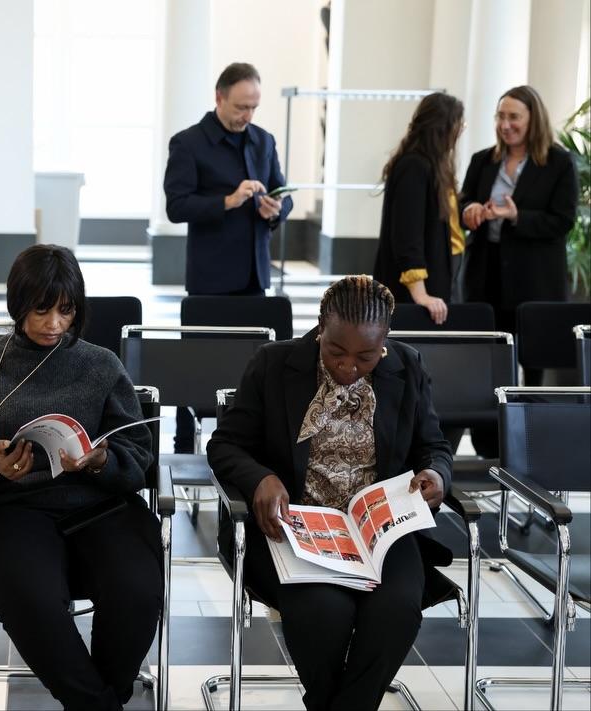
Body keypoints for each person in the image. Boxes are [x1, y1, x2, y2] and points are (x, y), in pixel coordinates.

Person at [0, 245, 163, 711]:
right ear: (18, 304)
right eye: (41, 310)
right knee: (33, 601)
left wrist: (100, 461)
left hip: (102, 507)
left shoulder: (101, 365)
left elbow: (138, 451)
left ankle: (97, 701)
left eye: (65, 311)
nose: (53, 323)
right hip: (12, 510)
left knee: (137, 591)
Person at [207, 276, 453, 711]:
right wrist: (261, 478)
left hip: (379, 530)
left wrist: (436, 474)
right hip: (295, 528)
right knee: (323, 613)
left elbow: (433, 446)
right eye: (336, 351)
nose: (348, 366)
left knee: (396, 611)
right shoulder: (273, 364)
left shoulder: (408, 366)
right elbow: (225, 445)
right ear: (321, 327)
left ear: (385, 341)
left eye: (366, 356)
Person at [163, 61, 294, 453]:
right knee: (198, 364)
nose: (247, 115)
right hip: (210, 276)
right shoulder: (188, 143)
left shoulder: (264, 140)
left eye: (253, 107)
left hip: (254, 274)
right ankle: (184, 442)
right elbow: (176, 206)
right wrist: (228, 201)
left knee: (252, 367)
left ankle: (246, 439)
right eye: (240, 107)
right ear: (219, 98)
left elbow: (283, 193)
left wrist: (276, 210)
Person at [460, 85, 578, 339]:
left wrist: (516, 216)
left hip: (534, 278)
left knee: (533, 351)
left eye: (514, 117)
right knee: (484, 351)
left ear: (534, 120)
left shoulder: (560, 163)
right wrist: (470, 209)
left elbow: (563, 220)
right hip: (484, 275)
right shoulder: (482, 160)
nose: (505, 125)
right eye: (500, 116)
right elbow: (462, 202)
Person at [374, 93, 466, 324]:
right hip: (414, 293)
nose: (460, 132)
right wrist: (420, 294)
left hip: (436, 280)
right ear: (444, 128)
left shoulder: (433, 166)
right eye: (459, 125)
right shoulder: (414, 166)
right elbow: (407, 236)